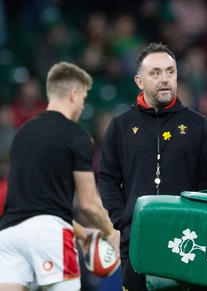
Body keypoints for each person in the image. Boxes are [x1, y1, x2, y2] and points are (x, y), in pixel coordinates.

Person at [98, 42, 207, 290]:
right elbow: (107, 177)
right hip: (137, 240)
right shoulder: (120, 126)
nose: (165, 79)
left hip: (187, 241)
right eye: (156, 73)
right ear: (139, 81)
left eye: (170, 71)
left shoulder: (199, 126)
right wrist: (122, 220)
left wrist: (197, 222)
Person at [0, 62, 120, 291]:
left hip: (8, 236)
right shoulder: (77, 135)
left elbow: (32, 207)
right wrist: (111, 232)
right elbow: (88, 204)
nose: (83, 105)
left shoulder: (22, 134)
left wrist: (82, 232)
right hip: (50, 237)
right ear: (74, 94)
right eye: (84, 98)